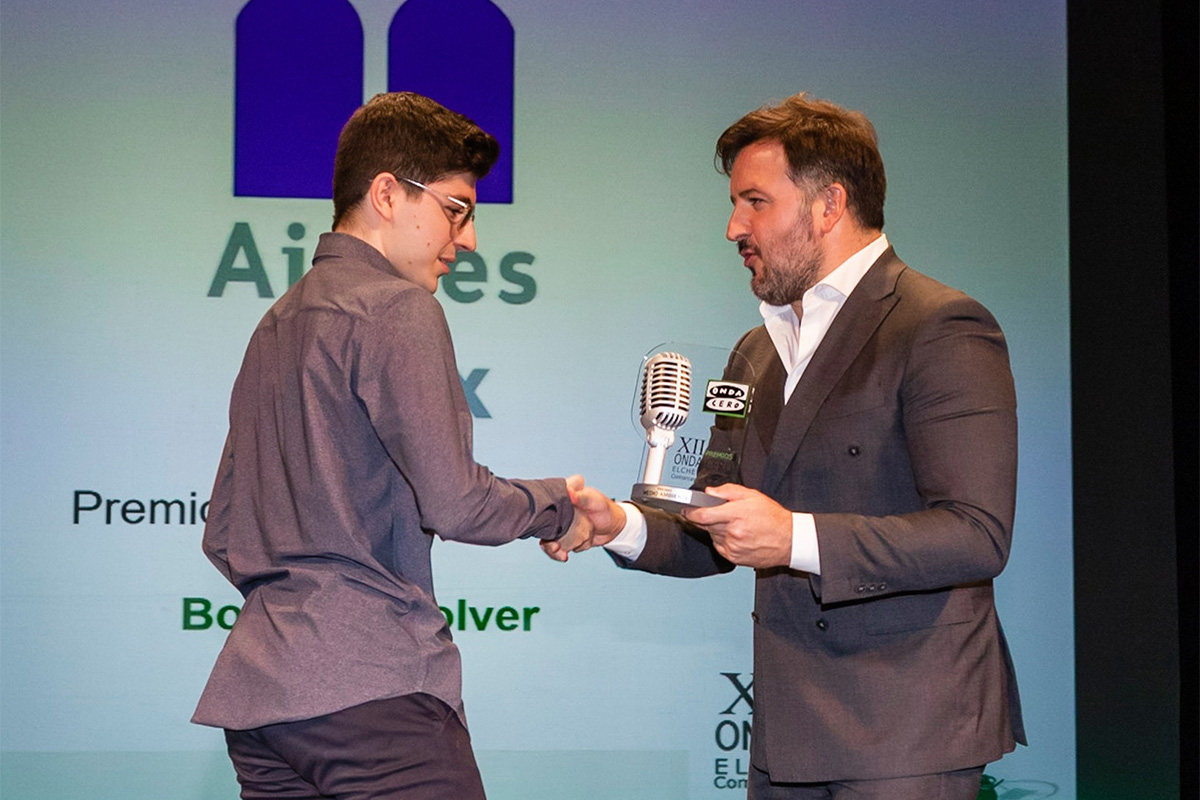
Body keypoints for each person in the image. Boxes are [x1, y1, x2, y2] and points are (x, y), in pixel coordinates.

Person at [552, 92, 1025, 799]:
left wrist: (792, 537)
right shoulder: (755, 350)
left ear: (828, 204)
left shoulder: (940, 325)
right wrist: (617, 525)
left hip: (908, 729)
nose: (733, 227)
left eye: (754, 202)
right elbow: (712, 530)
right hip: (785, 736)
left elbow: (975, 535)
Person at [193, 92, 591, 800]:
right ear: (386, 194)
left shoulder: (278, 320)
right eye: (456, 209)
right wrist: (563, 503)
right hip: (373, 697)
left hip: (261, 702)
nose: (467, 240)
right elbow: (459, 504)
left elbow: (223, 531)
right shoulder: (399, 309)